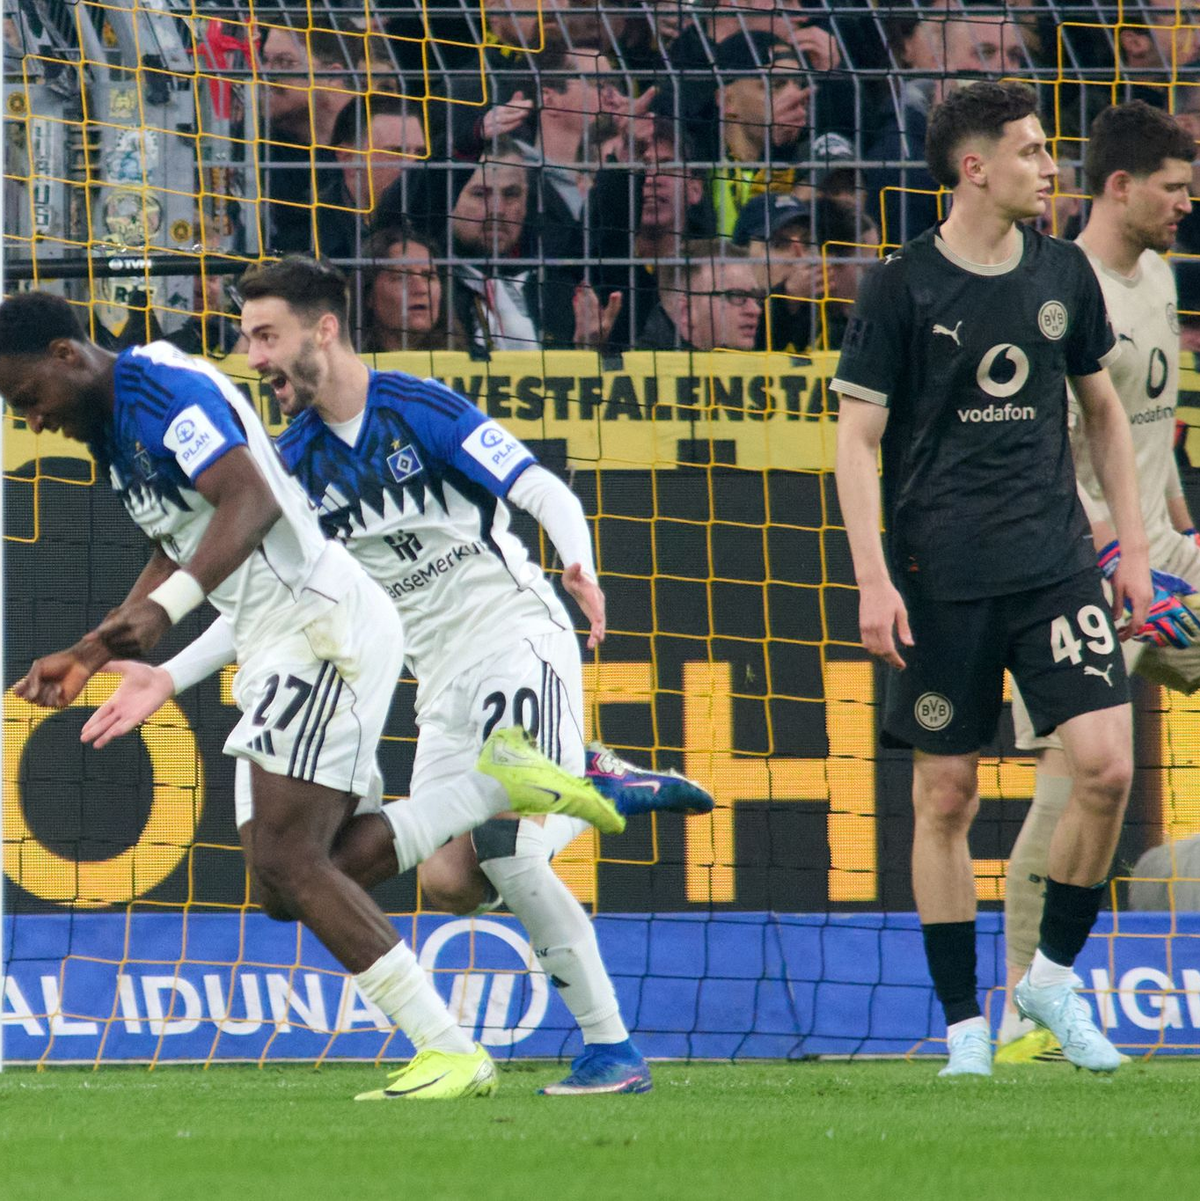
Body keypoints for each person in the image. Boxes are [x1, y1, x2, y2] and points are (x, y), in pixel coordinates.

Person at [81, 256, 714, 1096]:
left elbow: (542, 488)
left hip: (513, 630)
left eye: (266, 336)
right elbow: (268, 602)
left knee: (512, 852)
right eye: (245, 340)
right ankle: (575, 777)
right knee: (454, 879)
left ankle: (611, 1046)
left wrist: (579, 563)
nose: (254, 357)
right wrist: (168, 673)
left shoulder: (421, 407)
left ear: (326, 329)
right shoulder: (291, 462)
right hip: (435, 675)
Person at [831, 81, 1153, 1078]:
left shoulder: (1062, 271)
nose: (1047, 166)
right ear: (975, 168)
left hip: (1055, 565)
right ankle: (965, 1023)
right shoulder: (900, 287)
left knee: (1107, 766)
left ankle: (1051, 977)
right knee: (947, 795)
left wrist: (1131, 549)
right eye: (1029, 150)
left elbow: (1100, 410)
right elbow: (854, 435)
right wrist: (873, 579)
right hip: (939, 579)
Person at [997, 101, 1199, 1066]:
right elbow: (1036, 454)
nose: (1187, 205)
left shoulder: (1158, 279)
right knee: (1077, 777)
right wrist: (1120, 557)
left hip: (1163, 550)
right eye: (1172, 187)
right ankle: (1024, 1005)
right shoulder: (1059, 292)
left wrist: (1178, 537)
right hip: (1074, 567)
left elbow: (1152, 436)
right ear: (1120, 187)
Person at [357, 224, 468, 354]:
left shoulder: (470, 363)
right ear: (368, 294)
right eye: (401, 277)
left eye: (428, 276)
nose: (421, 289)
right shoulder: (343, 366)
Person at [639, 239, 765, 352]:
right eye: (736, 296)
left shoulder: (767, 364)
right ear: (685, 312)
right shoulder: (634, 369)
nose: (756, 310)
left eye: (756, 297)